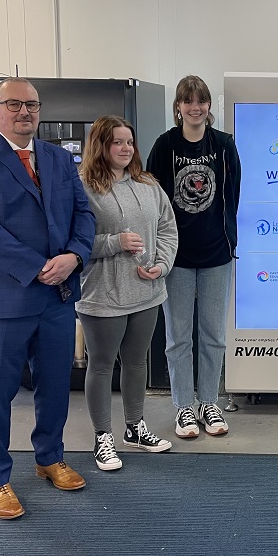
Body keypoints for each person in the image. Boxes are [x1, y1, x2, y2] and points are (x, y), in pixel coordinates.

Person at [0, 78, 95, 519]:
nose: (24, 112)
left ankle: (49, 458)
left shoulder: (57, 158)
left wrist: (74, 255)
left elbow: (84, 212)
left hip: (57, 296)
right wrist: (38, 266)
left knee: (55, 387)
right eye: (13, 104)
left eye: (31, 104)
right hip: (4, 298)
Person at [77, 116, 179, 471]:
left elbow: (167, 228)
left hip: (147, 290)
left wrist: (161, 265)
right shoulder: (83, 188)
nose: (125, 149)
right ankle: (102, 437)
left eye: (129, 142)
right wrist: (113, 243)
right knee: (102, 366)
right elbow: (71, 243)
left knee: (137, 363)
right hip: (103, 294)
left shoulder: (148, 184)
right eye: (117, 142)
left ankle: (135, 429)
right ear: (100, 145)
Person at [146, 75, 241, 439]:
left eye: (201, 101)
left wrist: (230, 238)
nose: (195, 107)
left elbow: (233, 193)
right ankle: (184, 406)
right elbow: (152, 197)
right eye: (188, 101)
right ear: (179, 107)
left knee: (214, 335)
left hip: (218, 253)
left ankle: (209, 402)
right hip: (176, 257)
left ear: (208, 106)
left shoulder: (223, 145)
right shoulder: (165, 145)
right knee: (178, 337)